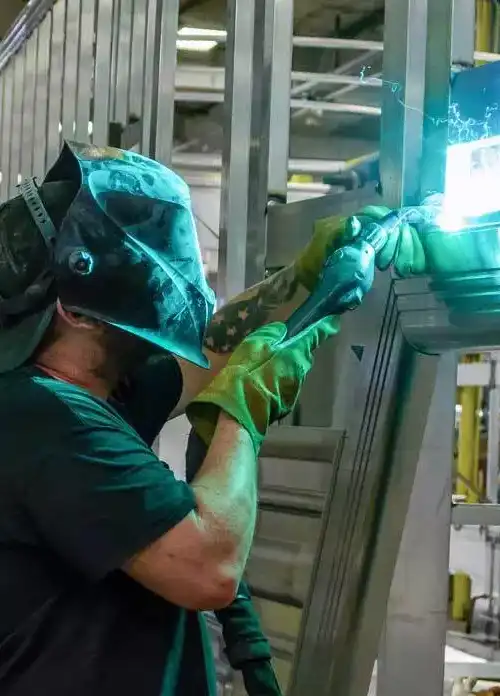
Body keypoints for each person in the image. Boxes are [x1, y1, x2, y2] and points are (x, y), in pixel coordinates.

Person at [0, 141, 424, 696]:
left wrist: (303, 278)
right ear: (76, 310)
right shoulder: (47, 420)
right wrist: (241, 410)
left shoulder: (88, 388)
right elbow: (210, 567)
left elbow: (212, 354)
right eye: (150, 290)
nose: (164, 308)